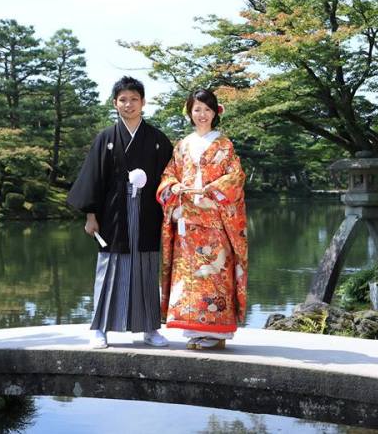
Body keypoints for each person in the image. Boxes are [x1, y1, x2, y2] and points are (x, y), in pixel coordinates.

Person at [67, 76, 173, 348]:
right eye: (123, 100)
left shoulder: (157, 139)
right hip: (113, 214)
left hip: (148, 212)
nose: (129, 104)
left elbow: (170, 177)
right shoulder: (106, 138)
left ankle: (150, 328)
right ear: (115, 103)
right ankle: (100, 328)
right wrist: (91, 216)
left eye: (134, 99)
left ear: (143, 102)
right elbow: (93, 178)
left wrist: (173, 210)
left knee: (146, 268)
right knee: (110, 268)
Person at [156, 88, 248, 350]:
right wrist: (173, 187)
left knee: (215, 273)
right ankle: (194, 329)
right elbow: (169, 174)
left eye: (207, 109)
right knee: (189, 277)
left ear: (215, 112)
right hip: (187, 220)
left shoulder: (224, 144)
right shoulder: (182, 145)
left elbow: (236, 177)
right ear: (189, 112)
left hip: (215, 220)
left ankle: (217, 332)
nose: (202, 114)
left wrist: (211, 190)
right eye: (197, 109)